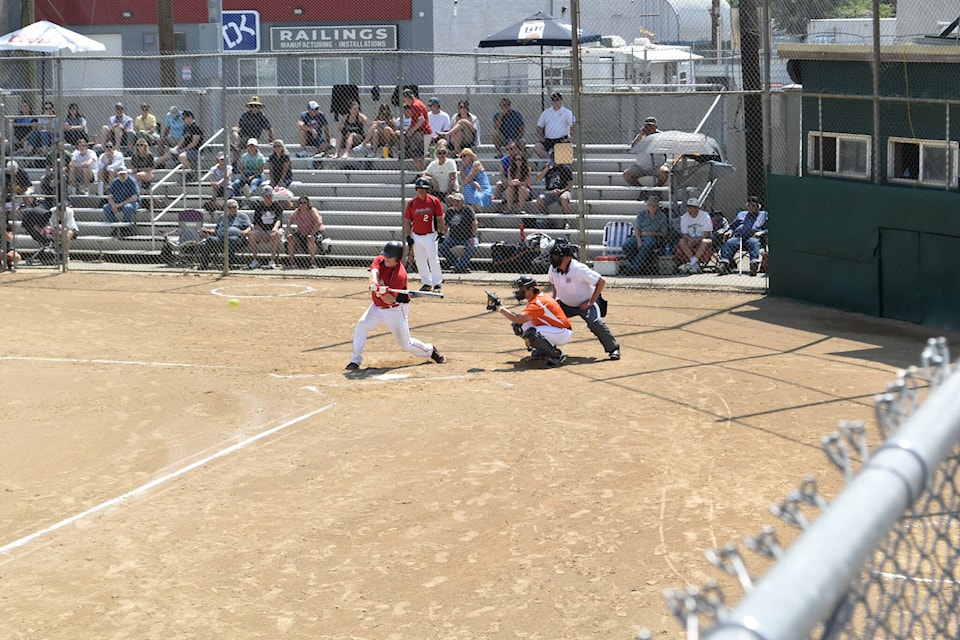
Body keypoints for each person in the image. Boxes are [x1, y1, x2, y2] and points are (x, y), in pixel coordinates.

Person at [345, 240, 446, 371]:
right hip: (376, 306)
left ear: (397, 259)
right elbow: (374, 271)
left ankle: (430, 350)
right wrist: (375, 283)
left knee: (406, 343)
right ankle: (355, 360)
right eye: (385, 255)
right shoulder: (381, 260)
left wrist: (382, 292)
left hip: (395, 309)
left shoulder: (400, 275)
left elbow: (389, 300)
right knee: (362, 325)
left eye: (389, 256)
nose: (385, 258)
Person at [547, 240, 620, 360]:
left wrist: (590, 302)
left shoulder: (578, 269)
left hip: (586, 303)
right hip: (565, 304)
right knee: (546, 318)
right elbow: (553, 283)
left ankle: (613, 349)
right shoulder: (553, 268)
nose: (553, 259)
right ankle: (545, 349)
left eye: (557, 256)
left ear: (567, 258)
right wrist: (554, 298)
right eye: (553, 256)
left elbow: (601, 282)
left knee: (595, 323)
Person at [491, 275, 572, 367]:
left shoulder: (538, 302)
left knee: (531, 334)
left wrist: (500, 308)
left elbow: (519, 318)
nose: (519, 290)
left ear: (530, 289)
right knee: (518, 325)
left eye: (521, 287)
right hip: (554, 330)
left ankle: (557, 355)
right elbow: (519, 319)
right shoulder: (535, 298)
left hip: (562, 332)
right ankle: (542, 350)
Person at [403, 176, 447, 291]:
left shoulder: (434, 201)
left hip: (430, 235)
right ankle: (426, 282)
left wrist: (442, 233)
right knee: (420, 259)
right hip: (416, 235)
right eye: (419, 189)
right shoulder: (412, 203)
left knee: (433, 259)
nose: (421, 191)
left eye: (423, 189)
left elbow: (440, 218)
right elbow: (407, 221)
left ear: (428, 189)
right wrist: (408, 236)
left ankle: (437, 283)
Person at [717, 196, 768, 276]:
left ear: (758, 206)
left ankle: (753, 265)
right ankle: (724, 265)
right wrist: (730, 231)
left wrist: (761, 232)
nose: (750, 208)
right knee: (730, 242)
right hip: (738, 238)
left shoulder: (763, 215)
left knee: (753, 242)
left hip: (753, 238)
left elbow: (769, 228)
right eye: (749, 205)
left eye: (753, 206)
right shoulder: (741, 214)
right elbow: (733, 226)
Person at [620, 195, 669, 275]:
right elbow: (637, 229)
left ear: (657, 206)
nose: (653, 208)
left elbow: (664, 233)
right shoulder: (641, 214)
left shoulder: (662, 216)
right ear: (648, 205)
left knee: (648, 244)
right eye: (651, 205)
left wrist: (650, 233)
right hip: (640, 236)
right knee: (626, 245)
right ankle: (639, 267)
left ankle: (634, 267)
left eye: (655, 206)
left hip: (654, 237)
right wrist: (639, 240)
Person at [197, 198, 251, 269]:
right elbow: (217, 231)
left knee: (232, 239)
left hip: (237, 239)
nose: (232, 209)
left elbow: (249, 227)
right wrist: (207, 230)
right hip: (221, 238)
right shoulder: (222, 217)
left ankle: (228, 264)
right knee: (210, 239)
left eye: (234, 207)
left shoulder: (243, 216)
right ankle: (204, 265)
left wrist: (245, 232)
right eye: (230, 207)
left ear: (237, 207)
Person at [243, 184, 285, 269]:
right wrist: (263, 233)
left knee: (277, 234)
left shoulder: (277, 206)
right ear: (263, 196)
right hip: (262, 230)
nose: (268, 197)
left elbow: (279, 220)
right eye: (266, 196)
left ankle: (272, 260)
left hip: (274, 229)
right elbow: (256, 223)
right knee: (252, 235)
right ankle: (255, 259)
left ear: (272, 196)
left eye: (270, 195)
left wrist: (274, 229)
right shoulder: (259, 207)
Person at [438, 191, 477, 274]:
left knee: (474, 246)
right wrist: (443, 235)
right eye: (454, 201)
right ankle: (459, 265)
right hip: (453, 238)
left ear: (462, 202)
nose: (456, 203)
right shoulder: (449, 211)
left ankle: (458, 266)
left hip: (468, 237)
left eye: (458, 201)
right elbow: (446, 226)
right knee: (441, 246)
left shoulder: (468, 209)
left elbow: (474, 223)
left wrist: (473, 237)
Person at [624, 116, 669, 188]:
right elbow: (633, 147)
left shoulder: (661, 136)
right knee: (627, 174)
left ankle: (656, 190)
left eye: (651, 126)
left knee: (664, 172)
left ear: (656, 127)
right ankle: (643, 191)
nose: (649, 128)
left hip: (657, 166)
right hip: (640, 167)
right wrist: (641, 134)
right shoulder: (640, 137)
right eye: (647, 126)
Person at [286, 195, 325, 268]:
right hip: (302, 233)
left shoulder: (312, 210)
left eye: (304, 202)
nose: (302, 204)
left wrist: (312, 234)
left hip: (315, 232)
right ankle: (292, 262)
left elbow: (319, 222)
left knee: (310, 239)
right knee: (290, 239)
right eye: (300, 203)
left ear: (308, 203)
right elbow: (289, 221)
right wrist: (289, 233)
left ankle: (313, 262)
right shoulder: (297, 211)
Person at [231, 95, 274, 162]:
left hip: (253, 137)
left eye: (256, 106)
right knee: (233, 131)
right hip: (242, 135)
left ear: (259, 107)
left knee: (238, 147)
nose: (254, 108)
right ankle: (236, 148)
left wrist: (271, 140)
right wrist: (235, 129)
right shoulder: (245, 115)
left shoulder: (261, 116)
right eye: (252, 106)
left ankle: (237, 145)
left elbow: (270, 128)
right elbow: (239, 126)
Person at [677, 198, 713, 274]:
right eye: (688, 207)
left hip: (703, 239)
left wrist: (697, 240)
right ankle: (694, 264)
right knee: (682, 241)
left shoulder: (704, 216)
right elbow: (684, 234)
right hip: (690, 239)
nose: (690, 209)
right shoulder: (684, 217)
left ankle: (691, 264)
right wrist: (690, 239)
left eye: (692, 207)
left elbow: (707, 234)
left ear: (697, 208)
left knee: (704, 241)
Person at [536, 153, 574, 225]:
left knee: (564, 198)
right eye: (553, 159)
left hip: (563, 191)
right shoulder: (547, 168)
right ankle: (549, 220)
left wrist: (561, 191)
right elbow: (538, 179)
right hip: (550, 192)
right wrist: (547, 168)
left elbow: (570, 185)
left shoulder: (565, 168)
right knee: (539, 200)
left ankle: (565, 221)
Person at [534, 92, 575, 158]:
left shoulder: (567, 112)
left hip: (562, 140)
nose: (555, 102)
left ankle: (558, 164)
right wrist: (541, 137)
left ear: (561, 100)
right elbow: (539, 126)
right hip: (548, 140)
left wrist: (570, 138)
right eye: (553, 100)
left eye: (557, 99)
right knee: (537, 147)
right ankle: (550, 161)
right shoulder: (546, 112)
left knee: (565, 147)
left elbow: (573, 126)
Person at [102, 166, 141, 234]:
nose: (123, 176)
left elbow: (134, 197)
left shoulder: (132, 181)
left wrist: (119, 205)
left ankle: (126, 228)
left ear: (127, 174)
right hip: (118, 203)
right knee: (106, 207)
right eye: (121, 174)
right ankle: (115, 227)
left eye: (124, 174)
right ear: (117, 174)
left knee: (128, 207)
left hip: (132, 203)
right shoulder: (115, 182)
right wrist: (113, 205)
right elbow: (110, 196)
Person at [401, 89, 431, 171]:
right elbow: (415, 121)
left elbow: (421, 120)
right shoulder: (416, 103)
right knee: (419, 156)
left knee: (417, 156)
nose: (404, 101)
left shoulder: (415, 105)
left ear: (407, 98)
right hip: (421, 133)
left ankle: (421, 174)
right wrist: (409, 130)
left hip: (422, 133)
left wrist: (412, 131)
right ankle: (421, 174)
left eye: (404, 99)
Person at [457, 147, 493, 212]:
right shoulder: (462, 169)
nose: (462, 158)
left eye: (464, 156)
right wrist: (474, 183)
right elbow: (466, 180)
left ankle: (479, 215)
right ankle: (471, 215)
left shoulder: (476, 164)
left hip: (483, 188)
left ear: (470, 156)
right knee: (467, 187)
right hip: (473, 188)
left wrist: (461, 186)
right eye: (461, 157)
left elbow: (470, 176)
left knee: (469, 190)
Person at [503, 145, 531, 214]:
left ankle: (520, 209)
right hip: (514, 190)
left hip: (524, 190)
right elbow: (509, 181)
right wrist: (512, 182)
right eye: (516, 160)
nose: (518, 161)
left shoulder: (527, 169)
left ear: (523, 160)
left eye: (520, 159)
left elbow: (526, 182)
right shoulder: (511, 169)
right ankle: (509, 209)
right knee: (510, 188)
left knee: (521, 188)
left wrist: (519, 183)